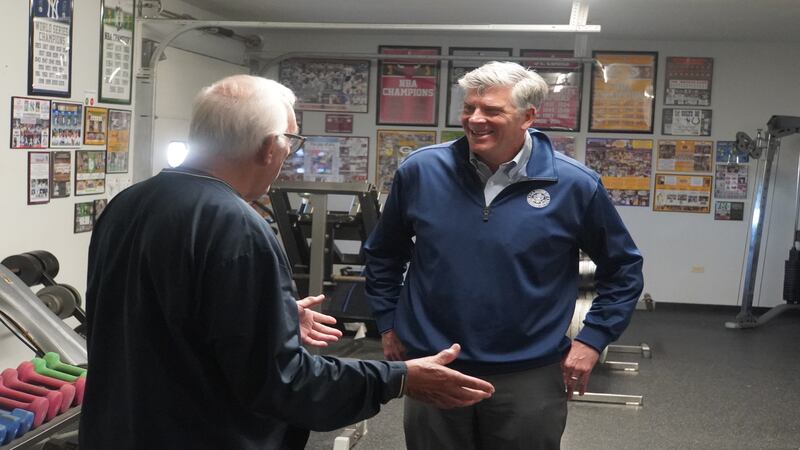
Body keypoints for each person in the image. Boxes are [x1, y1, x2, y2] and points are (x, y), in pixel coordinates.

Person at [80, 74, 494, 450]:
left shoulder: (128, 204)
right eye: (291, 143)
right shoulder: (237, 227)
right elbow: (282, 382)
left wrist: (269, 315)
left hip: (122, 428)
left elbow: (160, 314)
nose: (288, 157)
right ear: (269, 147)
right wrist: (399, 378)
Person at [364, 61, 644, 449]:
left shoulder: (574, 184)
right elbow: (383, 253)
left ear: (528, 117)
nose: (475, 119)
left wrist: (592, 339)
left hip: (529, 371)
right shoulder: (421, 171)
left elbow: (623, 268)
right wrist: (388, 321)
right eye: (469, 108)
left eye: (492, 110)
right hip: (436, 362)